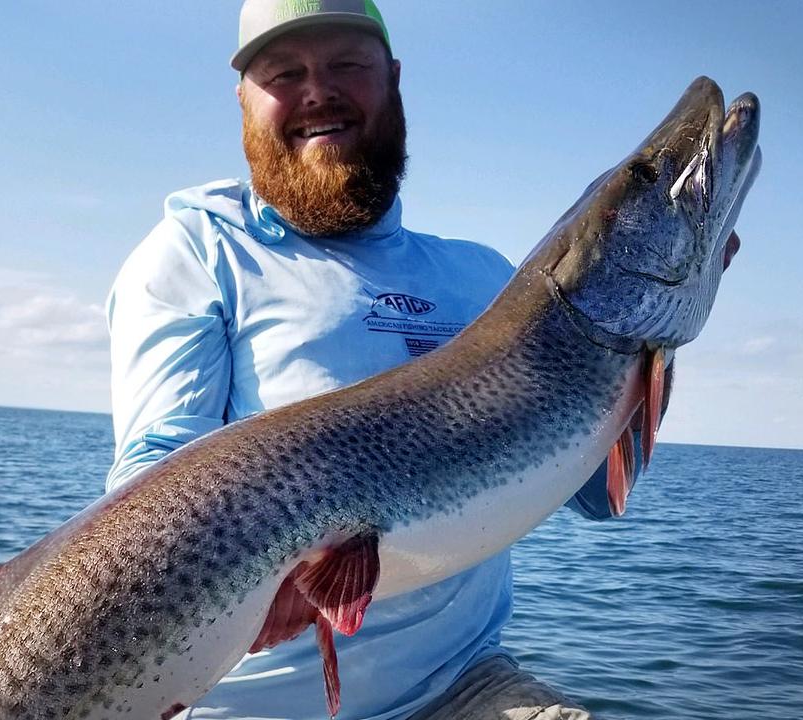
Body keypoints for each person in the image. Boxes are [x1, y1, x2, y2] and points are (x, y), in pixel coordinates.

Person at [105, 2, 624, 718]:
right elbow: (153, 472)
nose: (318, 90)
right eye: (284, 72)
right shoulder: (199, 253)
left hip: (463, 686)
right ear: (243, 102)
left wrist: (650, 339)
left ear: (394, 79)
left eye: (347, 64)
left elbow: (592, 491)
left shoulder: (488, 279)